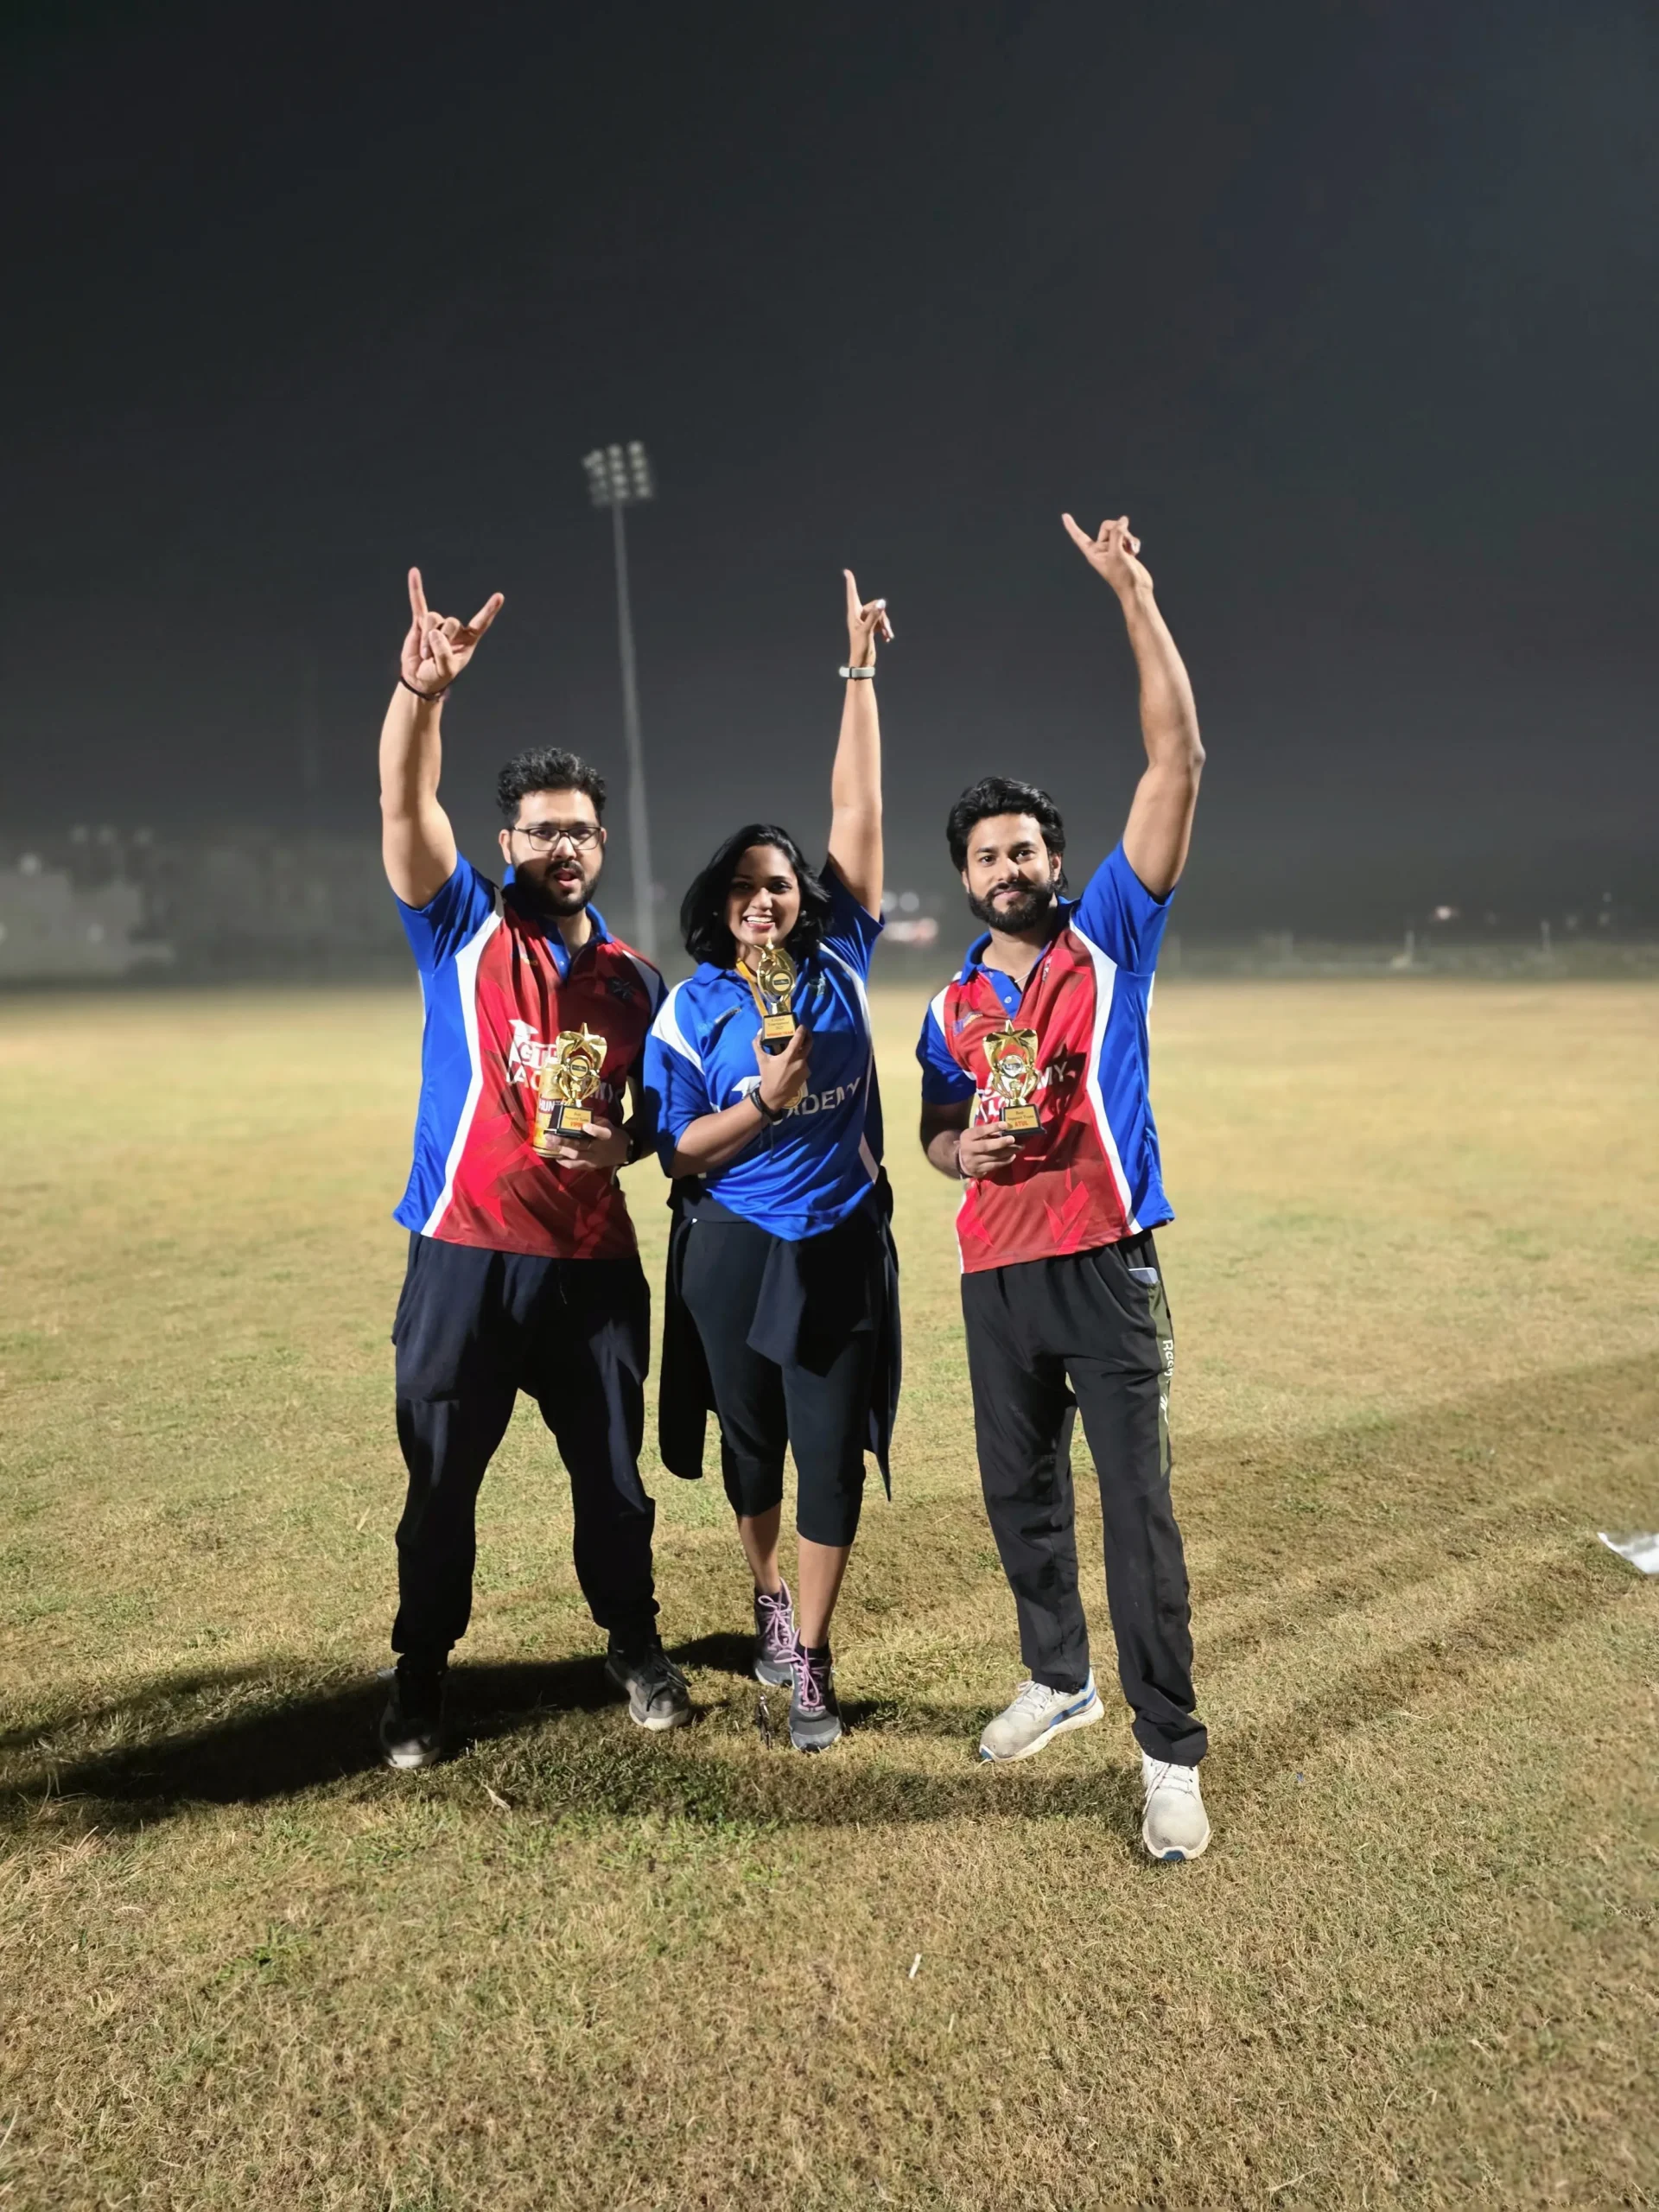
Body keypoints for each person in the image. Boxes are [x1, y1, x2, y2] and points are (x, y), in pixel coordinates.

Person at [915, 513, 1211, 1860]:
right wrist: (954, 1156)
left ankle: (1169, 1752)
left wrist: (1134, 597)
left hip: (1102, 1256)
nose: (1009, 869)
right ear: (965, 878)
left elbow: (1178, 759)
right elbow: (936, 1128)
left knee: (1135, 1515)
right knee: (1018, 1497)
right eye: (988, 856)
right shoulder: (947, 1005)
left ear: (1056, 860)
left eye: (1027, 849)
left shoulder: (1110, 937)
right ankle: (1059, 1677)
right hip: (995, 1270)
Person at [376, 567, 687, 1770]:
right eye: (543, 830)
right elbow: (405, 803)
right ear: (506, 841)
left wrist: (628, 1144)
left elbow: (656, 1118)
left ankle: (633, 1643)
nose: (564, 845)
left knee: (612, 1481)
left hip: (592, 1264)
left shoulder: (636, 980)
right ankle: (420, 1674)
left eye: (582, 831)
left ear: (602, 845)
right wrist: (421, 698)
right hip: (464, 1254)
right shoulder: (461, 926)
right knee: (441, 1484)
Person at [643, 572, 899, 1753]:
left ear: (805, 902)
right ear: (721, 901)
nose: (762, 898)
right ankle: (769, 1603)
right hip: (732, 1246)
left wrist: (859, 674)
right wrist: (762, 1102)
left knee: (829, 1453)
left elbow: (857, 808)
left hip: (834, 1240)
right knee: (752, 1446)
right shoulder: (689, 1007)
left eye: (780, 884)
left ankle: (815, 1657)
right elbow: (677, 1148)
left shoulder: (843, 957)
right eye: (744, 885)